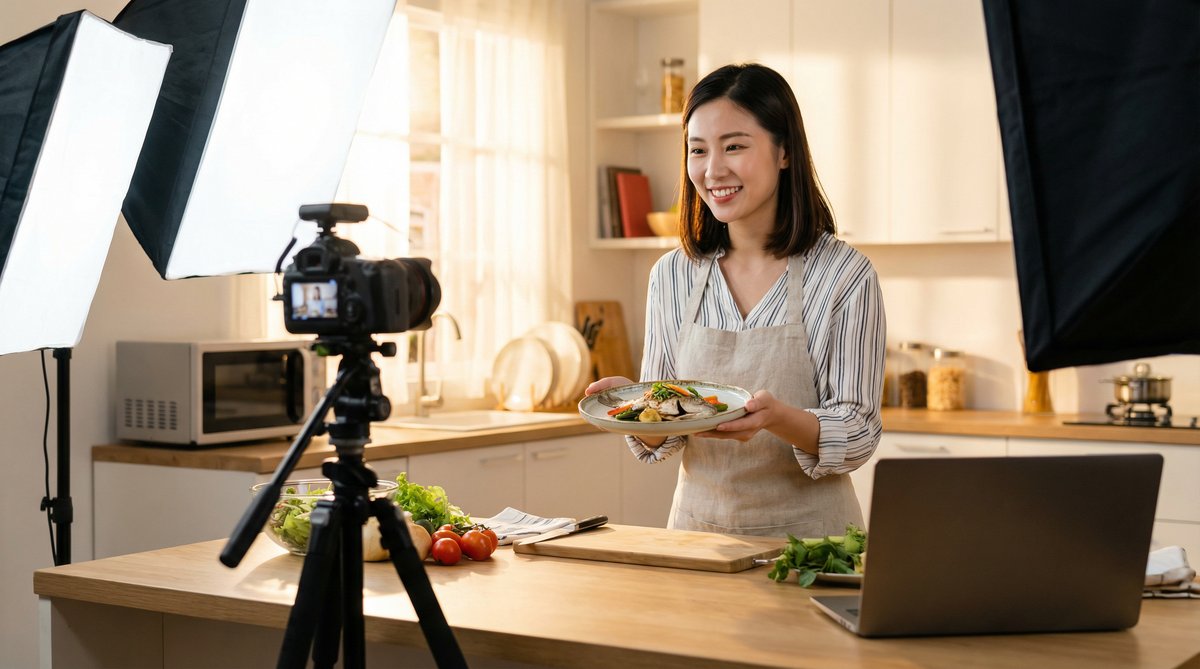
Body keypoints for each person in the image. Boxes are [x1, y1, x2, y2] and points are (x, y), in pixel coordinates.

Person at [585, 63, 885, 538]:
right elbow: (662, 439)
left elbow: (859, 432)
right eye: (698, 150)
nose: (713, 169)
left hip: (813, 545)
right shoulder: (672, 275)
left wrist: (779, 419)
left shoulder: (844, 275)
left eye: (735, 146)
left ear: (784, 152)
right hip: (698, 537)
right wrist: (634, 408)